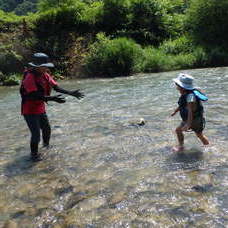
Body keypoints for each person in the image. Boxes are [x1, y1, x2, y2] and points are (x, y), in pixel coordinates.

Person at [20, 53, 84, 161]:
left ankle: (46, 147)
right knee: (36, 134)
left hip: (40, 108)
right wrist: (53, 99)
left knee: (47, 129)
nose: (46, 68)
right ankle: (34, 156)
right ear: (36, 67)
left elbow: (56, 87)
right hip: (29, 110)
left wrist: (71, 93)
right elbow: (34, 95)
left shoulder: (45, 75)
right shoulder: (29, 77)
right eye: (43, 66)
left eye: (46, 66)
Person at [171, 73, 209, 152]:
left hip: (193, 120)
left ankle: (181, 147)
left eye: (177, 86)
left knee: (180, 131)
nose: (177, 88)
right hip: (194, 119)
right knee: (199, 135)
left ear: (182, 87)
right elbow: (182, 105)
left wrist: (188, 124)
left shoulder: (190, 97)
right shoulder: (187, 94)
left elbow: (190, 111)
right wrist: (175, 111)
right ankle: (208, 147)